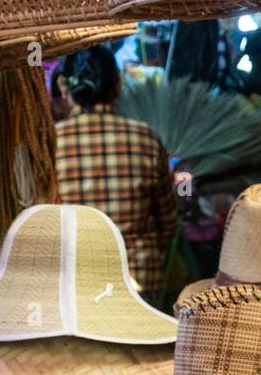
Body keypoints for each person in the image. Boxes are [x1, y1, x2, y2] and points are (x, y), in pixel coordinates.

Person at [54, 46, 178, 307]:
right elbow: (167, 221)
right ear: (119, 85)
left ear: (64, 88)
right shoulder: (146, 138)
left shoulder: (48, 143)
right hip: (139, 283)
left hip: (73, 285)